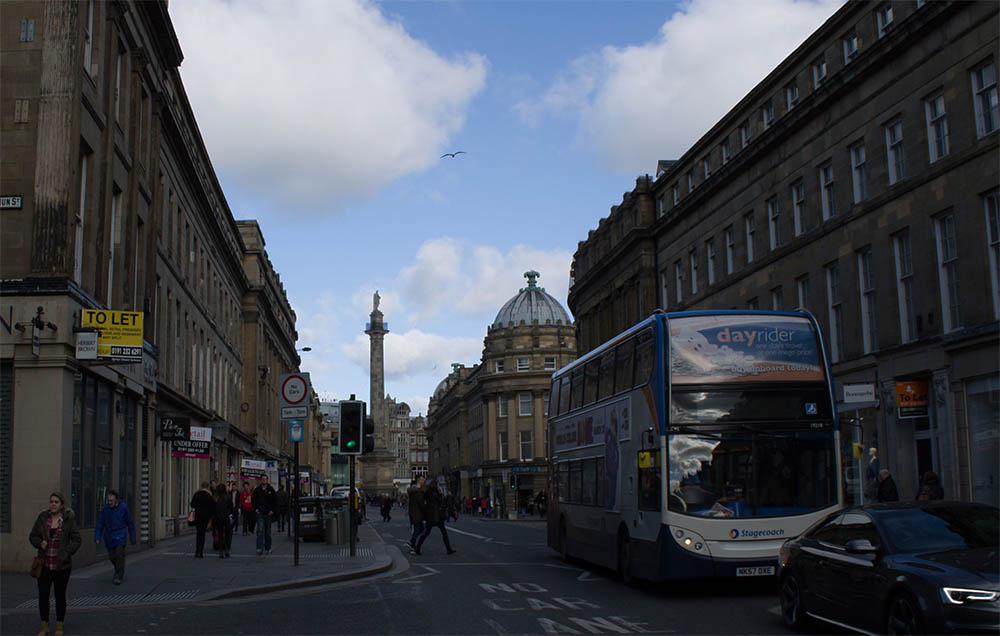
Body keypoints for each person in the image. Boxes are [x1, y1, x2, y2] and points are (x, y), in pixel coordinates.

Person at [29, 492, 81, 636]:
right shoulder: (42, 518)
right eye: (51, 501)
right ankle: (44, 625)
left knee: (60, 595)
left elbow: (77, 540)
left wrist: (66, 552)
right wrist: (40, 542)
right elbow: (32, 536)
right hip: (44, 563)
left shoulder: (68, 519)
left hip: (61, 566)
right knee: (43, 595)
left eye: (56, 502)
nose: (53, 504)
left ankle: (59, 625)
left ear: (61, 505)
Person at [93, 490, 136, 585]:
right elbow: (100, 523)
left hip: (120, 536)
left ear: (116, 500)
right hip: (109, 537)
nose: (110, 502)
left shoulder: (123, 508)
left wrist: (133, 538)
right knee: (112, 557)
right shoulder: (105, 509)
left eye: (111, 500)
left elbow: (130, 523)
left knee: (119, 555)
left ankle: (118, 576)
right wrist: (97, 537)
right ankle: (118, 569)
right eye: (108, 500)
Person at [413, 480, 456, 556]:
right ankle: (448, 549)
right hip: (437, 516)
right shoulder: (435, 493)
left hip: (430, 517)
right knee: (443, 532)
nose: (439, 486)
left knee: (426, 532)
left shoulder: (428, 492)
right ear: (436, 485)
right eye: (438, 485)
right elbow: (441, 502)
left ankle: (417, 548)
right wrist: (442, 493)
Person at [252, 474, 277, 555]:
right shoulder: (257, 490)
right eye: (263, 479)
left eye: (265, 479)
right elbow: (253, 500)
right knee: (260, 530)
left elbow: (275, 501)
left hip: (268, 513)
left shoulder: (271, 489)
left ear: (267, 480)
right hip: (260, 513)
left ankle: (268, 547)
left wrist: (272, 510)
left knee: (268, 532)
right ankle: (259, 548)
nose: (264, 481)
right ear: (261, 480)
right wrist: (256, 509)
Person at [189, 482, 215, 558]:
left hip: (197, 516)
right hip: (205, 517)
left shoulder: (197, 494)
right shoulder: (209, 495)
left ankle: (197, 550)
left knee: (198, 533)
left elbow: (192, 504)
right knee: (203, 534)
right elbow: (212, 507)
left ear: (201, 486)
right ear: (207, 487)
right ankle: (201, 552)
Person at [212, 484, 234, 558]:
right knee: (228, 534)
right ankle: (227, 549)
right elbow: (231, 507)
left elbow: (213, 508)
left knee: (220, 535)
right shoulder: (228, 496)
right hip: (226, 517)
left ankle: (221, 551)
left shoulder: (215, 497)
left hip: (218, 518)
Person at [405, 477, 426, 554]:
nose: (424, 481)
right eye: (422, 480)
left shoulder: (416, 490)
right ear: (419, 481)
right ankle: (411, 543)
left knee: (420, 529)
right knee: (418, 529)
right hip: (417, 513)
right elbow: (421, 504)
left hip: (415, 513)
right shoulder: (417, 491)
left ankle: (411, 543)